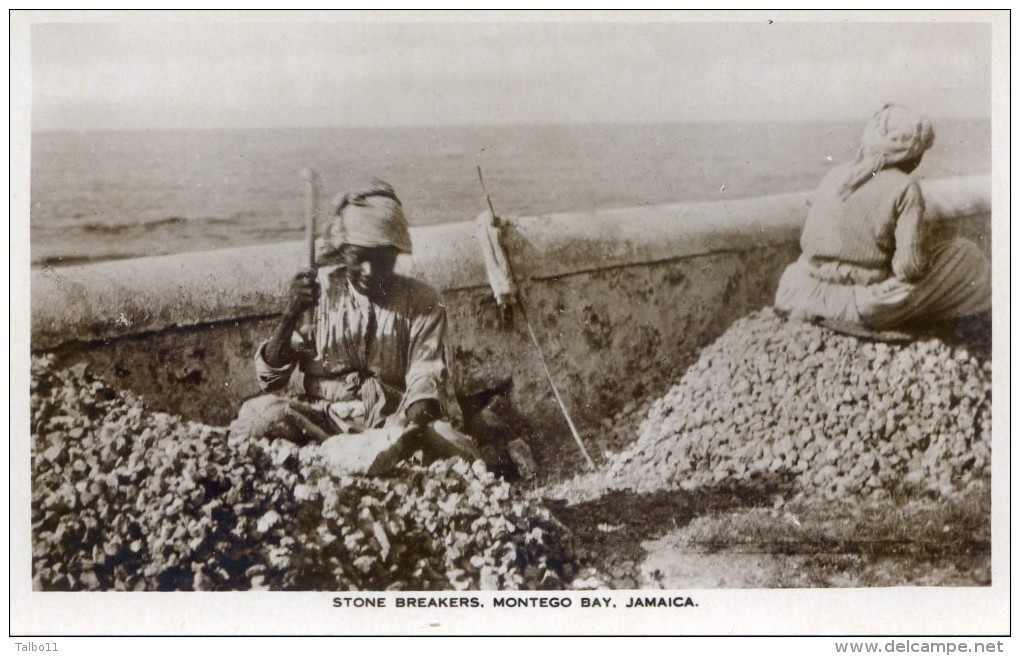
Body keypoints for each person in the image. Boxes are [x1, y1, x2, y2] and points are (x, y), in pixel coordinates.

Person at [231, 178, 467, 453]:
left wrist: (398, 431)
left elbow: (424, 382)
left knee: (449, 441)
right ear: (343, 252)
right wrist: (290, 314)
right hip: (325, 419)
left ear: (395, 254)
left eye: (381, 260)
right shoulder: (318, 293)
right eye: (359, 258)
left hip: (394, 419)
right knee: (257, 417)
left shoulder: (422, 302)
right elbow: (270, 381)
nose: (369, 271)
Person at [775, 104, 991, 335]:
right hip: (854, 306)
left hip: (796, 291)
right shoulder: (905, 188)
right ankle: (964, 331)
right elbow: (908, 269)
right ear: (913, 155)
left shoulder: (836, 174)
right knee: (966, 255)